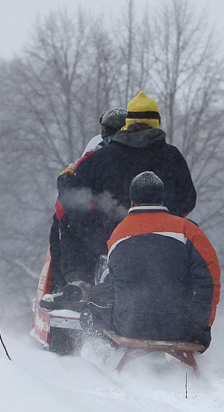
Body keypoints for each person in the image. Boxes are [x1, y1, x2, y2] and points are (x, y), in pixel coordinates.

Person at [52, 92, 197, 304]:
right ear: (157, 123)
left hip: (110, 241)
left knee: (67, 220)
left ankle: (80, 285)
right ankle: (186, 294)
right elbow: (187, 202)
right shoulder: (172, 157)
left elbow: (72, 199)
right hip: (163, 243)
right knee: (191, 231)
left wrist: (66, 177)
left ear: (127, 123)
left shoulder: (102, 158)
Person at [83, 171, 220, 347]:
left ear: (132, 202)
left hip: (129, 326)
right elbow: (209, 281)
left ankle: (106, 354)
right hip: (180, 328)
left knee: (98, 293)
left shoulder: (119, 233)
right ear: (162, 201)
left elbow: (114, 281)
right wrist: (202, 328)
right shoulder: (188, 231)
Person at [45, 107, 127, 297]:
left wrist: (67, 176)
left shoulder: (93, 159)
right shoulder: (146, 157)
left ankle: (72, 283)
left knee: (63, 221)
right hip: (133, 228)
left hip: (100, 232)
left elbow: (67, 201)